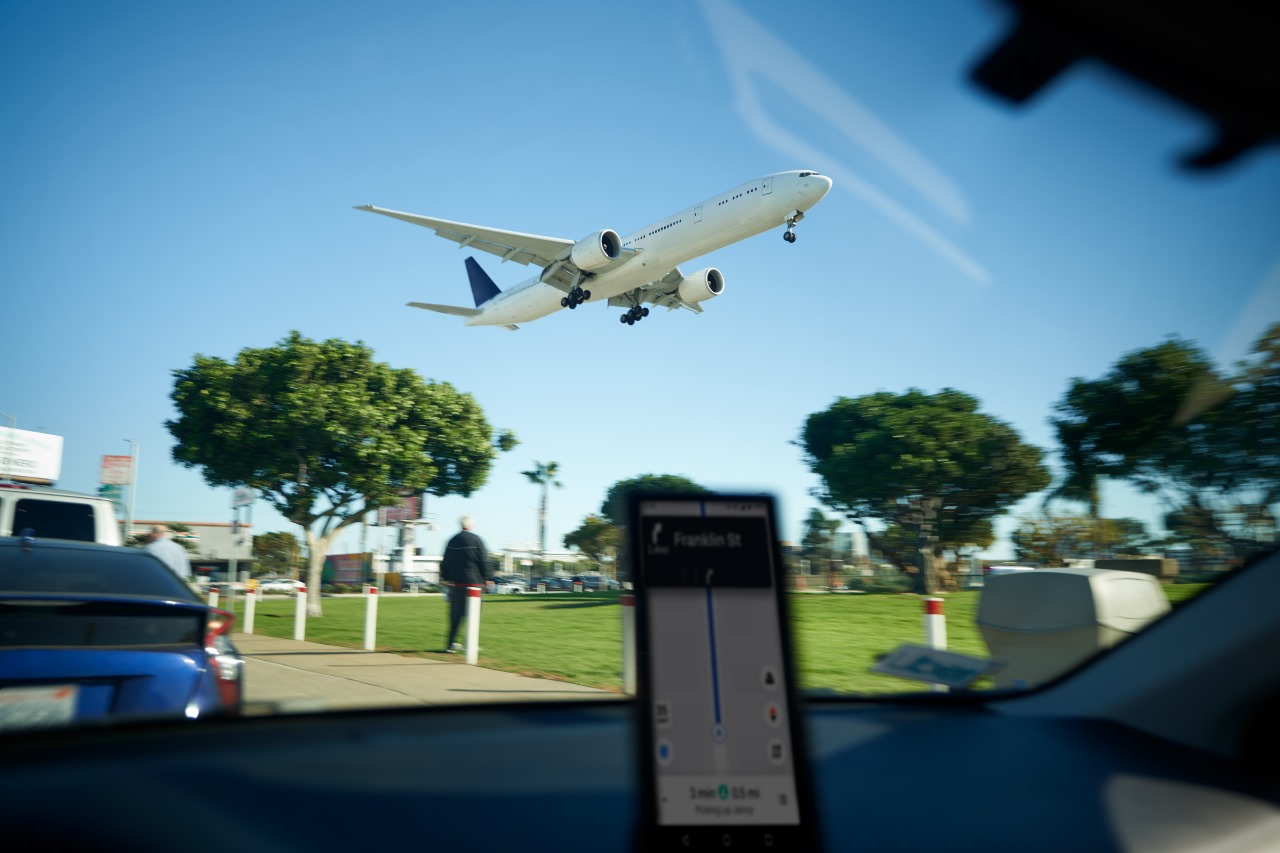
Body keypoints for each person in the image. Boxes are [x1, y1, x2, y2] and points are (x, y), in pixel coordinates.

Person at [439, 515, 491, 653]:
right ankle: (470, 644)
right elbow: (484, 560)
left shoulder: (452, 540)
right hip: (474, 584)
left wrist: (446, 578)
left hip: (456, 584)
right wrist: (487, 577)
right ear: (471, 525)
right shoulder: (477, 540)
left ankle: (451, 644)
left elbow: (446, 561)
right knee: (473, 615)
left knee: (455, 616)